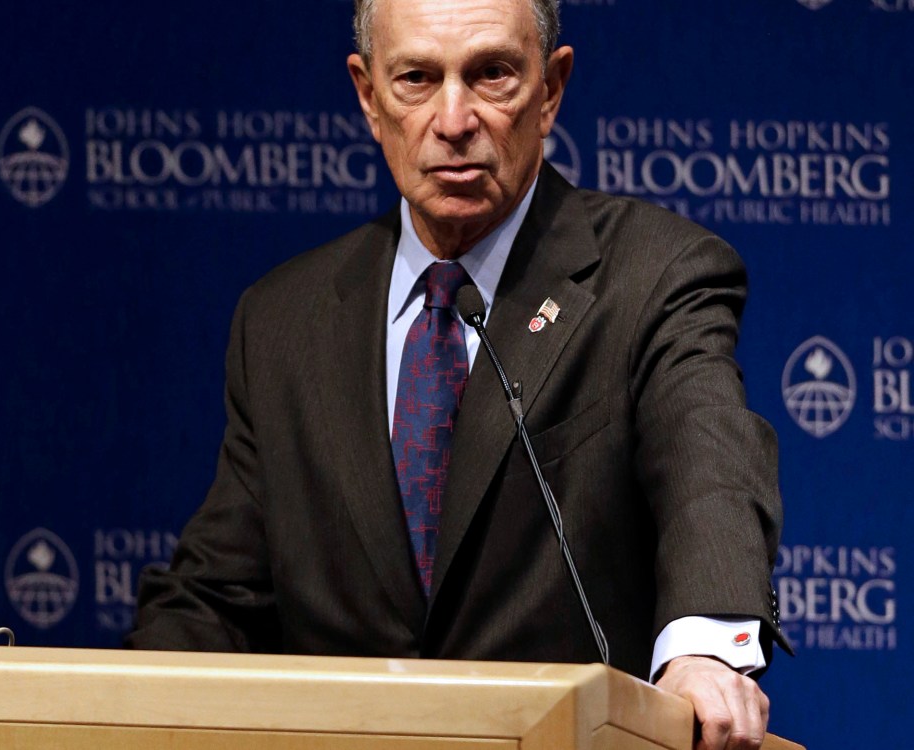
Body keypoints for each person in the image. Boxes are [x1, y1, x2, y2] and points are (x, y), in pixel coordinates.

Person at [129, 1, 790, 748]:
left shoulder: (653, 276)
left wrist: (703, 650)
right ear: (368, 96)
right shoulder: (283, 319)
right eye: (416, 78)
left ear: (551, 90)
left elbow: (710, 471)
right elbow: (219, 594)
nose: (453, 119)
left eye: (491, 75)